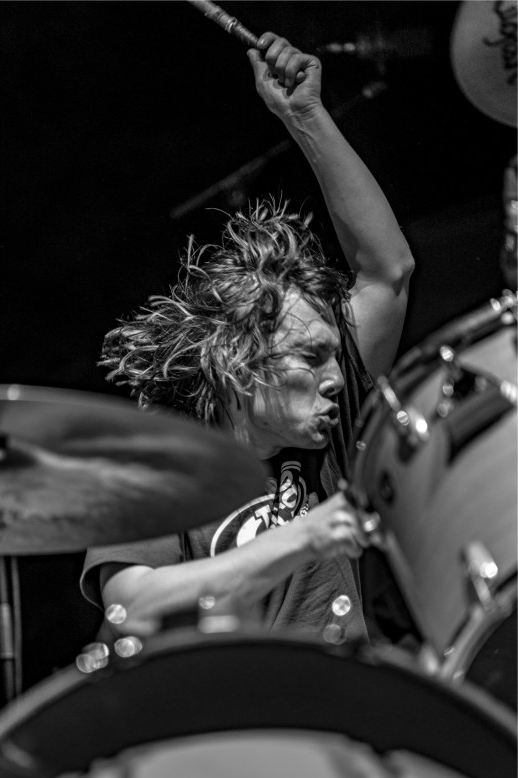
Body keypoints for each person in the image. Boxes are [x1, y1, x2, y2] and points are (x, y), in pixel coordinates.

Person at [80, 32, 415, 645]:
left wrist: (306, 116)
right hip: (233, 699)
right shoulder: (162, 459)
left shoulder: (322, 434)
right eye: (311, 357)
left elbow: (388, 271)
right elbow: (130, 603)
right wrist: (301, 538)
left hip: (346, 693)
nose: (337, 378)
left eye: (335, 356)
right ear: (241, 361)